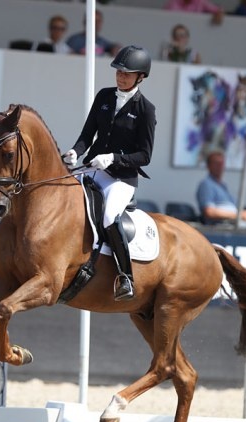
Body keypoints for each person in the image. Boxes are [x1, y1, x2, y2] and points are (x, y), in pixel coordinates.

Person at [62, 45, 156, 301]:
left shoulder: (146, 110)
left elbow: (144, 156)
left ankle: (125, 277)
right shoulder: (104, 96)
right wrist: (75, 152)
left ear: (141, 77)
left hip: (121, 179)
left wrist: (114, 158)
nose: (120, 77)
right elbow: (87, 134)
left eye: (127, 73)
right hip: (93, 168)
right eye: (118, 72)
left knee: (108, 217)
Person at [196, 150, 246, 224]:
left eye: (221, 164)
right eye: (216, 163)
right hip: (219, 228)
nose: (219, 167)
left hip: (233, 224)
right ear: (208, 166)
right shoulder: (206, 184)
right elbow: (209, 212)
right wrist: (239, 215)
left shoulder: (223, 186)